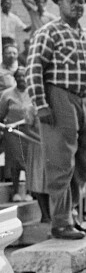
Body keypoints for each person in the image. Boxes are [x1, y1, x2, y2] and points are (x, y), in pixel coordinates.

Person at [26, 0, 86, 240]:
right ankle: (59, 223)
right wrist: (41, 104)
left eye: (81, 1)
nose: (77, 5)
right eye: (72, 0)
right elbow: (34, 69)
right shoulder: (49, 32)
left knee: (82, 163)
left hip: (85, 101)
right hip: (58, 97)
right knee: (61, 161)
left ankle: (72, 216)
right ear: (59, 3)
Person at [0, 67, 36, 203]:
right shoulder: (7, 94)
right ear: (15, 78)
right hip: (12, 135)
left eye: (24, 76)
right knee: (15, 163)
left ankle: (28, 192)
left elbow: (33, 116)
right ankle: (15, 192)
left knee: (29, 163)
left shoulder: (33, 94)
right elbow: (1, 114)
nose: (22, 78)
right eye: (19, 76)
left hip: (29, 133)